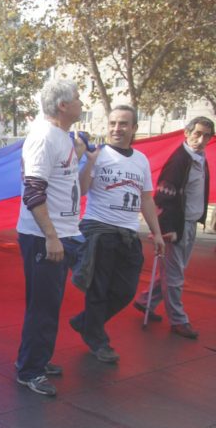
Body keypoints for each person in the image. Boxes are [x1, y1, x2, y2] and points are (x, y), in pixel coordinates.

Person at [69, 106, 164, 363]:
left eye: (123, 124)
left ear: (134, 128)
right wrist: (89, 162)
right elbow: (82, 190)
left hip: (128, 234)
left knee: (125, 290)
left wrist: (157, 233)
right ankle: (98, 341)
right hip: (99, 230)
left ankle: (85, 322)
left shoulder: (141, 160)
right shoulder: (97, 154)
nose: (116, 128)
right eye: (112, 123)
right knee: (98, 290)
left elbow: (146, 199)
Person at [15, 79, 86, 396]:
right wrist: (52, 237)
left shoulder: (62, 137)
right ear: (62, 105)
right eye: (77, 98)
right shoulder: (44, 137)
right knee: (43, 307)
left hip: (61, 233)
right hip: (45, 237)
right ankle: (30, 370)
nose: (82, 103)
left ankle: (36, 360)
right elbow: (33, 192)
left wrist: (80, 157)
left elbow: (64, 183)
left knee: (47, 304)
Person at [132, 116, 214, 339]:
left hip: (190, 222)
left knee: (173, 271)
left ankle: (145, 300)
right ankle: (178, 320)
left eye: (206, 136)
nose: (201, 139)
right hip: (176, 225)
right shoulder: (180, 160)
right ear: (187, 133)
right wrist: (167, 227)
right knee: (175, 275)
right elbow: (163, 196)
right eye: (197, 134)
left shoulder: (199, 158)